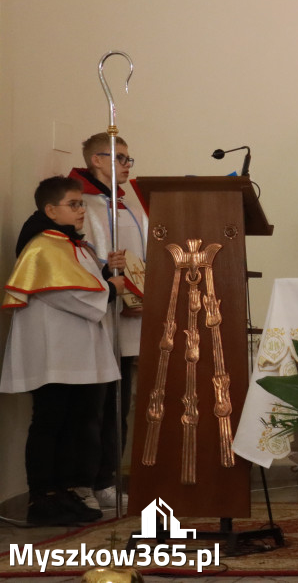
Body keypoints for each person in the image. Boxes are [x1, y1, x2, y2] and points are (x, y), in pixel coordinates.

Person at [1, 177, 126, 525]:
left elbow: (81, 282)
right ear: (50, 210)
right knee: (50, 422)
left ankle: (67, 489)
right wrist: (110, 290)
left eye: (82, 204)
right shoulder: (44, 246)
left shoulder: (72, 244)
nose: (81, 210)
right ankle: (43, 496)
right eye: (74, 204)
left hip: (76, 351)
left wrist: (103, 271)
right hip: (53, 353)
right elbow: (65, 293)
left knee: (76, 423)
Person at [68, 133, 148, 509]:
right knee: (96, 405)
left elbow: (141, 257)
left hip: (131, 315)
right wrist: (118, 292)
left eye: (129, 159)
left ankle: (110, 477)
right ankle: (88, 482)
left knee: (120, 404)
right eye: (120, 158)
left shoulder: (126, 204)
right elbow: (85, 256)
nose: (127, 165)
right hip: (101, 317)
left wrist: (141, 296)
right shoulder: (84, 204)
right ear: (96, 160)